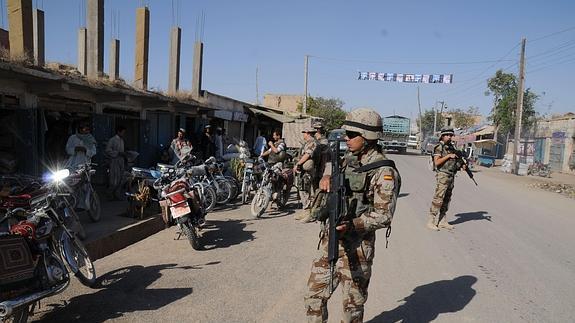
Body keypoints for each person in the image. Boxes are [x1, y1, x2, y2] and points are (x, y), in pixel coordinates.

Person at [304, 108, 399, 323]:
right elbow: (331, 174)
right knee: (314, 297)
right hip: (331, 241)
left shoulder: (383, 171)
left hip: (358, 246)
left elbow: (384, 215)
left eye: (352, 134)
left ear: (367, 138)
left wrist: (353, 225)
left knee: (352, 307)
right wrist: (326, 179)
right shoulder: (348, 159)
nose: (346, 138)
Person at [427, 127, 464, 231]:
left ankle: (442, 220)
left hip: (451, 175)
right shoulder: (439, 147)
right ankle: (431, 221)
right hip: (443, 175)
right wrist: (448, 156)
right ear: (442, 136)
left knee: (447, 199)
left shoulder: (451, 147)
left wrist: (460, 166)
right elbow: (437, 162)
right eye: (448, 135)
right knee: (438, 198)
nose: (450, 137)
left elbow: (454, 162)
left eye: (451, 135)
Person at [293, 128, 319, 222]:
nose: (303, 134)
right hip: (304, 171)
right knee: (303, 189)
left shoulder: (312, 142)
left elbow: (307, 154)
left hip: (308, 171)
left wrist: (298, 164)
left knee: (307, 190)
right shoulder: (307, 142)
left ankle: (309, 213)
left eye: (303, 132)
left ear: (307, 133)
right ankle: (306, 210)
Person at [105, 125, 127, 200]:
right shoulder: (112, 140)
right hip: (114, 161)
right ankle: (109, 194)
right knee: (114, 180)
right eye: (123, 132)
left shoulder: (122, 140)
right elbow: (108, 150)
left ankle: (117, 194)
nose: (123, 134)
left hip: (121, 161)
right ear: (118, 132)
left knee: (121, 179)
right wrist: (118, 153)